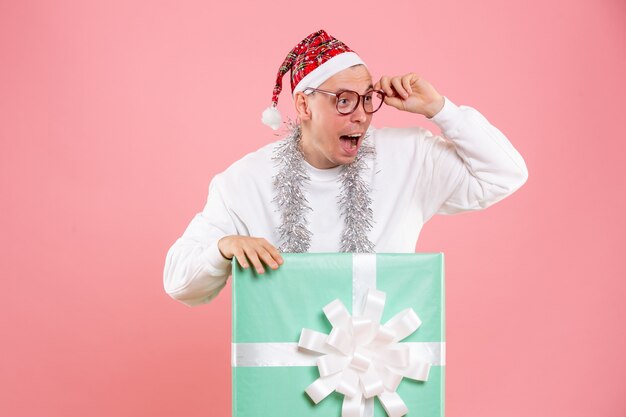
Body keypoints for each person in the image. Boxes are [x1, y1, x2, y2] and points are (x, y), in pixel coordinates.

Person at [163, 29, 528, 307]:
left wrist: (440, 109)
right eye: (343, 101)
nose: (361, 116)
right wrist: (223, 248)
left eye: (368, 99)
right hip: (285, 387)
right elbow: (179, 283)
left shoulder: (410, 156)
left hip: (387, 382)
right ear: (303, 106)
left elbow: (505, 174)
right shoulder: (243, 182)